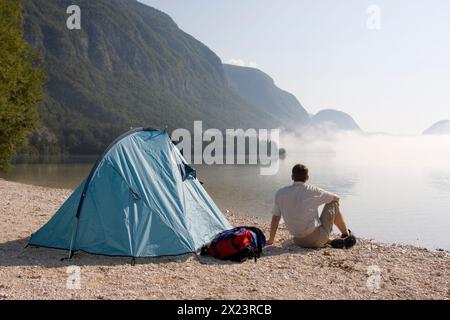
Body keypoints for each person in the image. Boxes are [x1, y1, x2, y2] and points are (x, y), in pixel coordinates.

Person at [267, 164, 356, 249]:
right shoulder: (312, 190)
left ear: (292, 177)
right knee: (333, 203)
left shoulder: (280, 193)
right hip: (317, 237)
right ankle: (346, 234)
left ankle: (331, 241)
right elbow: (336, 198)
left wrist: (271, 240)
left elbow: (275, 218)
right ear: (307, 178)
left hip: (299, 241)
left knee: (309, 228)